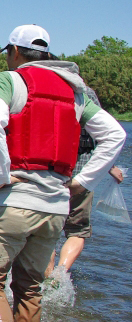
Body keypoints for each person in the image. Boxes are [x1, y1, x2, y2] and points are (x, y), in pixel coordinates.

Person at [0, 24, 125, 322]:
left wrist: (1, 175)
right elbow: (115, 135)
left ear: (15, 51)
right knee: (30, 288)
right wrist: (82, 182)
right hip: (55, 207)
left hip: (15, 201)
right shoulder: (76, 93)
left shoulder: (8, 81)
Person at [43, 86, 126, 277]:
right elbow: (104, 135)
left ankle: (45, 276)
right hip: (83, 175)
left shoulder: (48, 89)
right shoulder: (86, 94)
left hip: (53, 173)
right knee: (77, 230)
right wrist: (110, 166)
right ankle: (60, 274)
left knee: (47, 229)